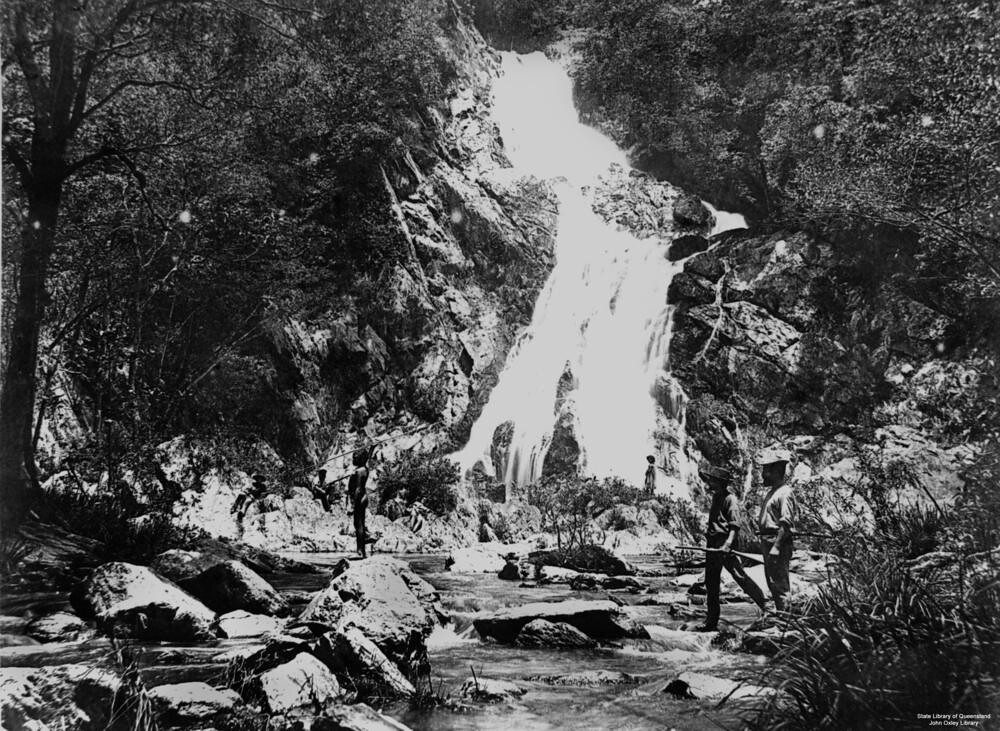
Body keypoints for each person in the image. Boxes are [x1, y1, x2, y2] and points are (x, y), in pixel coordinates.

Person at [693, 463, 767, 632]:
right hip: (712, 544)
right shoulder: (716, 497)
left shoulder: (730, 499)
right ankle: (711, 621)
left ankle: (765, 606)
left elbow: (734, 525)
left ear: (720, 482)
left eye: (712, 480)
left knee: (739, 576)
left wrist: (727, 544)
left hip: (724, 544)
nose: (709, 483)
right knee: (711, 581)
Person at [757, 448, 795, 613]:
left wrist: (777, 547)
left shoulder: (785, 493)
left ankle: (785, 619)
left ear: (777, 471)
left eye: (766, 471)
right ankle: (781, 615)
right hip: (768, 541)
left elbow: (786, 524)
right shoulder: (773, 492)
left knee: (780, 584)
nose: (762, 475)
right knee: (772, 582)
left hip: (776, 541)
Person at [346, 448, 371, 558]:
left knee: (358, 524)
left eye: (355, 458)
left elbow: (358, 489)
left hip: (359, 498)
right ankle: (362, 551)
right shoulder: (364, 469)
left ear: (360, 459)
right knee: (360, 524)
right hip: (363, 497)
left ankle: (360, 551)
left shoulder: (359, 471)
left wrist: (353, 504)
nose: (353, 459)